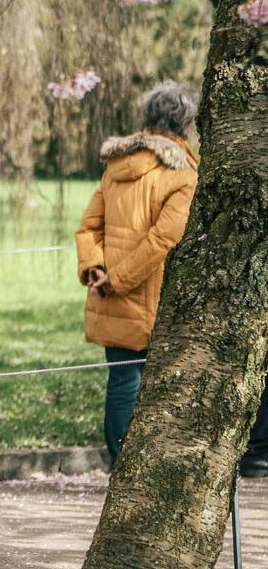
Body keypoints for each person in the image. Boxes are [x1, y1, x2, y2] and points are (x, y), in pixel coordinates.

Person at [76, 81, 199, 469]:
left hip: (111, 293)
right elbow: (164, 239)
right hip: (158, 295)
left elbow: (88, 227)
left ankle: (121, 461)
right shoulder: (183, 174)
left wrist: (97, 270)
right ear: (187, 124)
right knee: (156, 384)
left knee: (123, 381)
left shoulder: (116, 166)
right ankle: (139, 467)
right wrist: (117, 278)